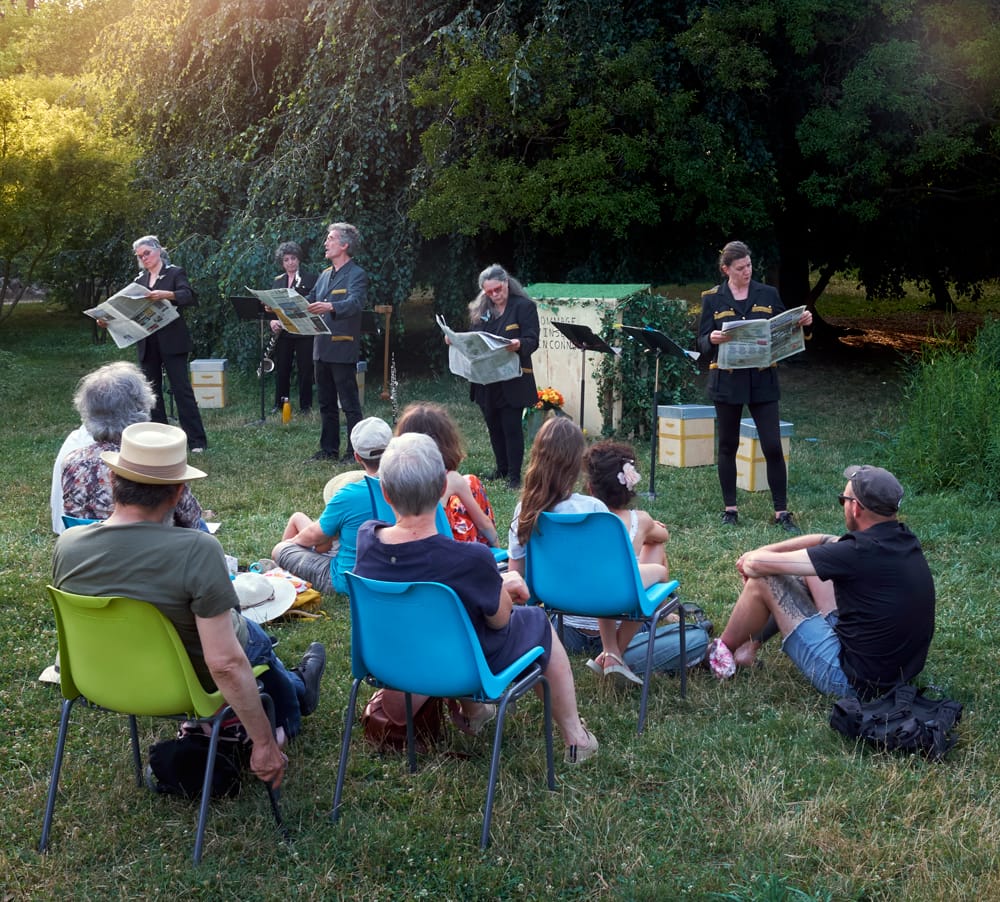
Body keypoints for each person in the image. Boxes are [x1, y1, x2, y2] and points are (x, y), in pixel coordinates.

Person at [51, 422, 327, 788]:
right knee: (255, 640)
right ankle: (293, 703)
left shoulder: (68, 545)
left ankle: (295, 691)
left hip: (101, 680)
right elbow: (226, 664)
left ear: (114, 480)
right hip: (187, 687)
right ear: (178, 492)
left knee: (251, 640)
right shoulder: (197, 550)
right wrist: (263, 743)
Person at [353, 432, 598, 763]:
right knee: (535, 621)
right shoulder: (469, 559)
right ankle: (576, 738)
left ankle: (476, 711)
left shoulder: (367, 540)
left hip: (389, 662)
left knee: (447, 621)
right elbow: (499, 620)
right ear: (443, 489)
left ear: (385, 492)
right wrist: (504, 588)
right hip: (463, 671)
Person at [707, 465, 936, 700]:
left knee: (765, 580)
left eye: (842, 500)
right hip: (896, 673)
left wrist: (754, 558)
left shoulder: (856, 552)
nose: (843, 506)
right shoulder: (901, 539)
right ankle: (749, 648)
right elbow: (823, 541)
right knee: (810, 570)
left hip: (851, 682)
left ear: (856, 508)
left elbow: (755, 566)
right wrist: (760, 552)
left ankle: (719, 653)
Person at [508, 419, 662, 687]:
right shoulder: (594, 510)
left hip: (554, 598)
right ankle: (612, 652)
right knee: (658, 570)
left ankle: (611, 653)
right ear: (575, 465)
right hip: (603, 596)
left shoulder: (525, 510)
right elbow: (612, 569)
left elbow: (515, 575)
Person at [697, 240, 812, 532]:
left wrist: (802, 322)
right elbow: (700, 342)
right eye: (740, 268)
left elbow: (785, 328)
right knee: (728, 445)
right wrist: (711, 339)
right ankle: (730, 509)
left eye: (749, 265)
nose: (747, 271)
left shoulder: (768, 294)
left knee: (773, 445)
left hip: (763, 380)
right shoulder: (712, 299)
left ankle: (782, 512)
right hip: (727, 381)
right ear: (726, 270)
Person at [60, 361, 210, 530]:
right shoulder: (152, 459)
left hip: (88, 549)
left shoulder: (72, 461)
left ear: (87, 410)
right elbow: (191, 519)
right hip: (152, 548)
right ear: (142, 406)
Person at [272, 417, 392, 596]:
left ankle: (278, 580)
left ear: (357, 456)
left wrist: (290, 544)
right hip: (393, 573)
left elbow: (315, 535)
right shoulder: (409, 485)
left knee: (280, 549)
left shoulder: (348, 495)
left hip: (347, 581)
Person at [130, 235, 208, 452]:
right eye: (140, 256)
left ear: (158, 250)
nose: (144, 258)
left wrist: (169, 294)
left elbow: (189, 296)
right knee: (151, 393)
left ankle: (196, 441)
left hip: (172, 340)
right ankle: (159, 440)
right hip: (148, 342)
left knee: (181, 389)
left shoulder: (174, 272)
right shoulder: (139, 280)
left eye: (147, 253)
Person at [465, 263, 539, 489]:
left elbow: (532, 340)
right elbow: (474, 338)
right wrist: (457, 341)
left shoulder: (523, 306)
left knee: (511, 426)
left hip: (512, 378)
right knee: (493, 424)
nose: (495, 295)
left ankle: (515, 477)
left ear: (506, 282)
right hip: (486, 378)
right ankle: (501, 468)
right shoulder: (481, 309)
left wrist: (518, 344)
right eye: (489, 292)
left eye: (498, 289)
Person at [394, 402, 500, 547]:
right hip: (450, 554)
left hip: (404, 549)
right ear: (446, 442)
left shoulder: (390, 481)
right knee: (470, 482)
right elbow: (485, 526)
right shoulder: (452, 480)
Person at [305, 223, 367, 462]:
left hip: (342, 347)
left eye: (330, 239)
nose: (325, 243)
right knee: (326, 403)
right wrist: (280, 308)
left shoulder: (356, 274)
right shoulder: (323, 275)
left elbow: (355, 304)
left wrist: (330, 306)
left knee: (349, 404)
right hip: (320, 348)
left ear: (344, 245)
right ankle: (329, 450)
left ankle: (355, 452)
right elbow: (308, 301)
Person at [267, 241, 318, 415]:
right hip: (284, 332)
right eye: (286, 259)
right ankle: (280, 404)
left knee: (305, 369)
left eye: (293, 258)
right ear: (282, 262)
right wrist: (272, 321)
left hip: (304, 330)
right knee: (282, 368)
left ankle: (305, 407)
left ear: (299, 259)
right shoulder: (277, 281)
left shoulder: (311, 278)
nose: (290, 262)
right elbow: (272, 305)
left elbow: (313, 304)